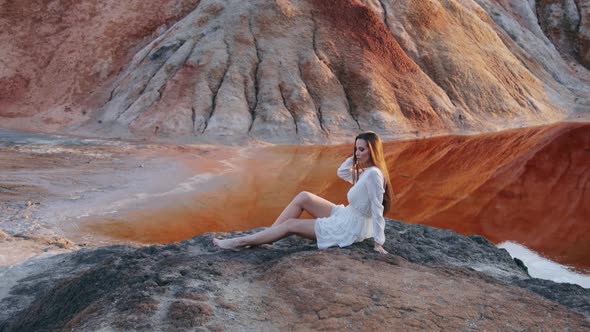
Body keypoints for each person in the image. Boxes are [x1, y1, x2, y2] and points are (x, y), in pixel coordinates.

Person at [213, 131, 393, 254]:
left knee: (291, 224)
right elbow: (342, 172)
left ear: (373, 151)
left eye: (361, 150)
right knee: (304, 196)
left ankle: (239, 242)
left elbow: (378, 209)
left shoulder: (373, 175)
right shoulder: (366, 172)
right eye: (356, 149)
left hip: (349, 228)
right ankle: (268, 235)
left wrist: (379, 242)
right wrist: (354, 156)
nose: (357, 153)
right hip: (346, 214)